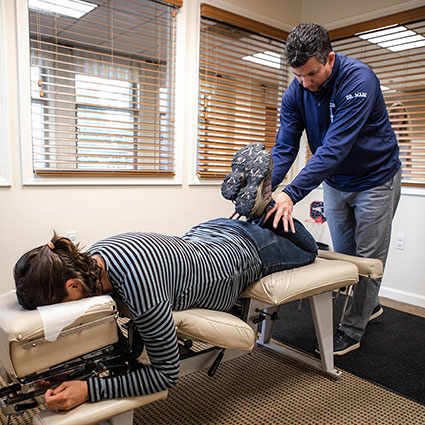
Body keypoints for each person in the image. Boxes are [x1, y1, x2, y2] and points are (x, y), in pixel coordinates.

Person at [13, 143, 317, 411]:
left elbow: (165, 375)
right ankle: (256, 208)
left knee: (309, 250)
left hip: (248, 249)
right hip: (206, 232)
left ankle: (264, 209)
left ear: (72, 285)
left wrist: (89, 390)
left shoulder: (140, 289)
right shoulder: (95, 255)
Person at [266, 22, 401, 355]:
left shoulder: (359, 80)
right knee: (345, 259)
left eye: (311, 74)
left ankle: (353, 328)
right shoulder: (296, 91)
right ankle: (372, 303)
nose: (304, 83)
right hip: (336, 182)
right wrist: (266, 189)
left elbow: (335, 147)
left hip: (376, 179)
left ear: (329, 59)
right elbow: (285, 146)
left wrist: (292, 193)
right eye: (298, 76)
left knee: (368, 259)